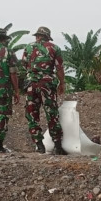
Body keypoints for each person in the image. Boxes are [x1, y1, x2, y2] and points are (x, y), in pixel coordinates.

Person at [23, 26, 66, 155]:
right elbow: (59, 68)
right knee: (52, 114)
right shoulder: (54, 48)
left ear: (37, 36)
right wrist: (61, 83)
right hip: (47, 84)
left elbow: (24, 64)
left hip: (31, 84)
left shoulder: (28, 47)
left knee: (32, 114)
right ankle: (57, 145)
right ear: (47, 37)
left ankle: (39, 145)